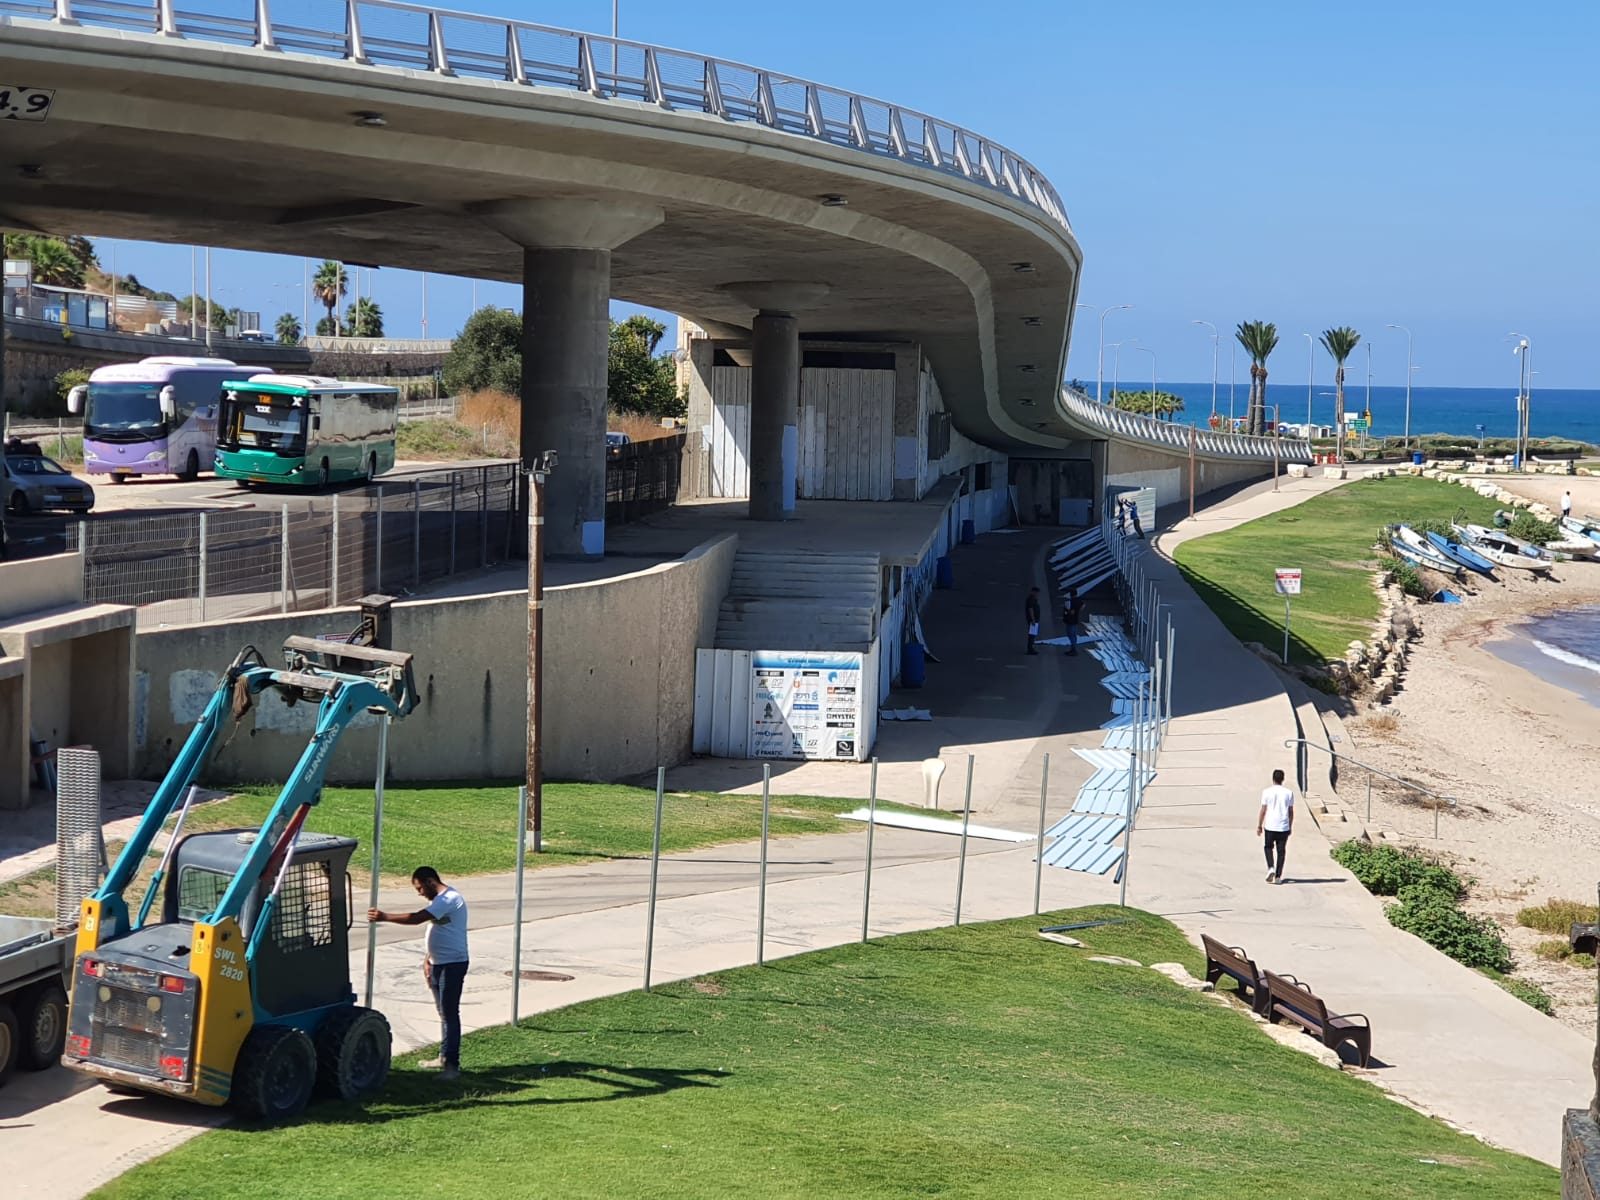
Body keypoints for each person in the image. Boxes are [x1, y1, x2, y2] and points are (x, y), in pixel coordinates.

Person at [369, 867, 469, 1079]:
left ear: (431, 881)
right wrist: (428, 959)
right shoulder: (439, 902)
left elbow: (416, 918)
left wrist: (384, 916)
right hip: (437, 964)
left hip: (452, 965)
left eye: (420, 887)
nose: (419, 892)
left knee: (450, 1013)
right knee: (443, 1012)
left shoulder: (450, 899)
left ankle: (452, 1066)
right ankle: (443, 1056)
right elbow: (439, 931)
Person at [1256, 769, 1295, 884]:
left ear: (1273, 779)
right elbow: (1291, 811)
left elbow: (1263, 810)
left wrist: (1259, 825)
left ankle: (1270, 868)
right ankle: (1278, 876)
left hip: (1270, 825)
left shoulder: (1267, 792)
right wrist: (1290, 825)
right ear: (1283, 779)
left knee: (1268, 847)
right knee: (1281, 851)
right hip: (1283, 826)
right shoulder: (1289, 793)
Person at [1062, 587, 1085, 656]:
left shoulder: (1069, 602)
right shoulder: (1079, 600)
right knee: (1074, 635)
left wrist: (1069, 612)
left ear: (1070, 595)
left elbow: (1067, 611)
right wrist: (1078, 611)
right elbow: (1083, 605)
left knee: (1070, 634)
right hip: (1075, 620)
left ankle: (1073, 649)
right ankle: (1073, 648)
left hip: (1070, 620)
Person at [1024, 585, 1041, 655]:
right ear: (1033, 592)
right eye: (1036, 593)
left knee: (1033, 634)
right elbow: (1030, 609)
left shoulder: (1034, 599)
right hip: (1032, 620)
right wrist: (1033, 619)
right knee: (1032, 635)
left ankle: (1031, 648)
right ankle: (1030, 649)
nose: (1037, 594)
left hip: (1035, 619)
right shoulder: (1030, 599)